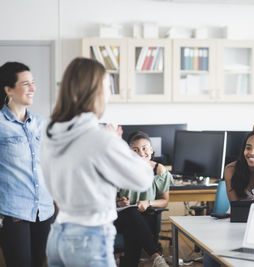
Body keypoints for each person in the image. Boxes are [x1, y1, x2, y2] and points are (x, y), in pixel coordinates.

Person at [40, 57, 154, 267]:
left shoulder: (50, 132)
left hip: (58, 234)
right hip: (89, 238)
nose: (110, 93)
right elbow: (144, 179)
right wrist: (116, 142)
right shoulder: (98, 137)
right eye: (108, 87)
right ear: (95, 92)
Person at [0, 62, 55, 267]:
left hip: (45, 210)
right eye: (25, 84)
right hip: (14, 212)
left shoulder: (41, 123)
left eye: (33, 83)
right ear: (9, 90)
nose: (33, 88)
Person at [115, 131, 172, 267]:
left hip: (145, 217)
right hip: (121, 217)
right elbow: (109, 199)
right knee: (131, 212)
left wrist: (148, 202)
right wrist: (119, 202)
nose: (141, 153)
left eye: (145, 148)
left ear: (151, 150)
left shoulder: (159, 170)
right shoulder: (119, 170)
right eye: (135, 150)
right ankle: (156, 257)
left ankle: (129, 263)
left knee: (133, 231)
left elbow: (164, 201)